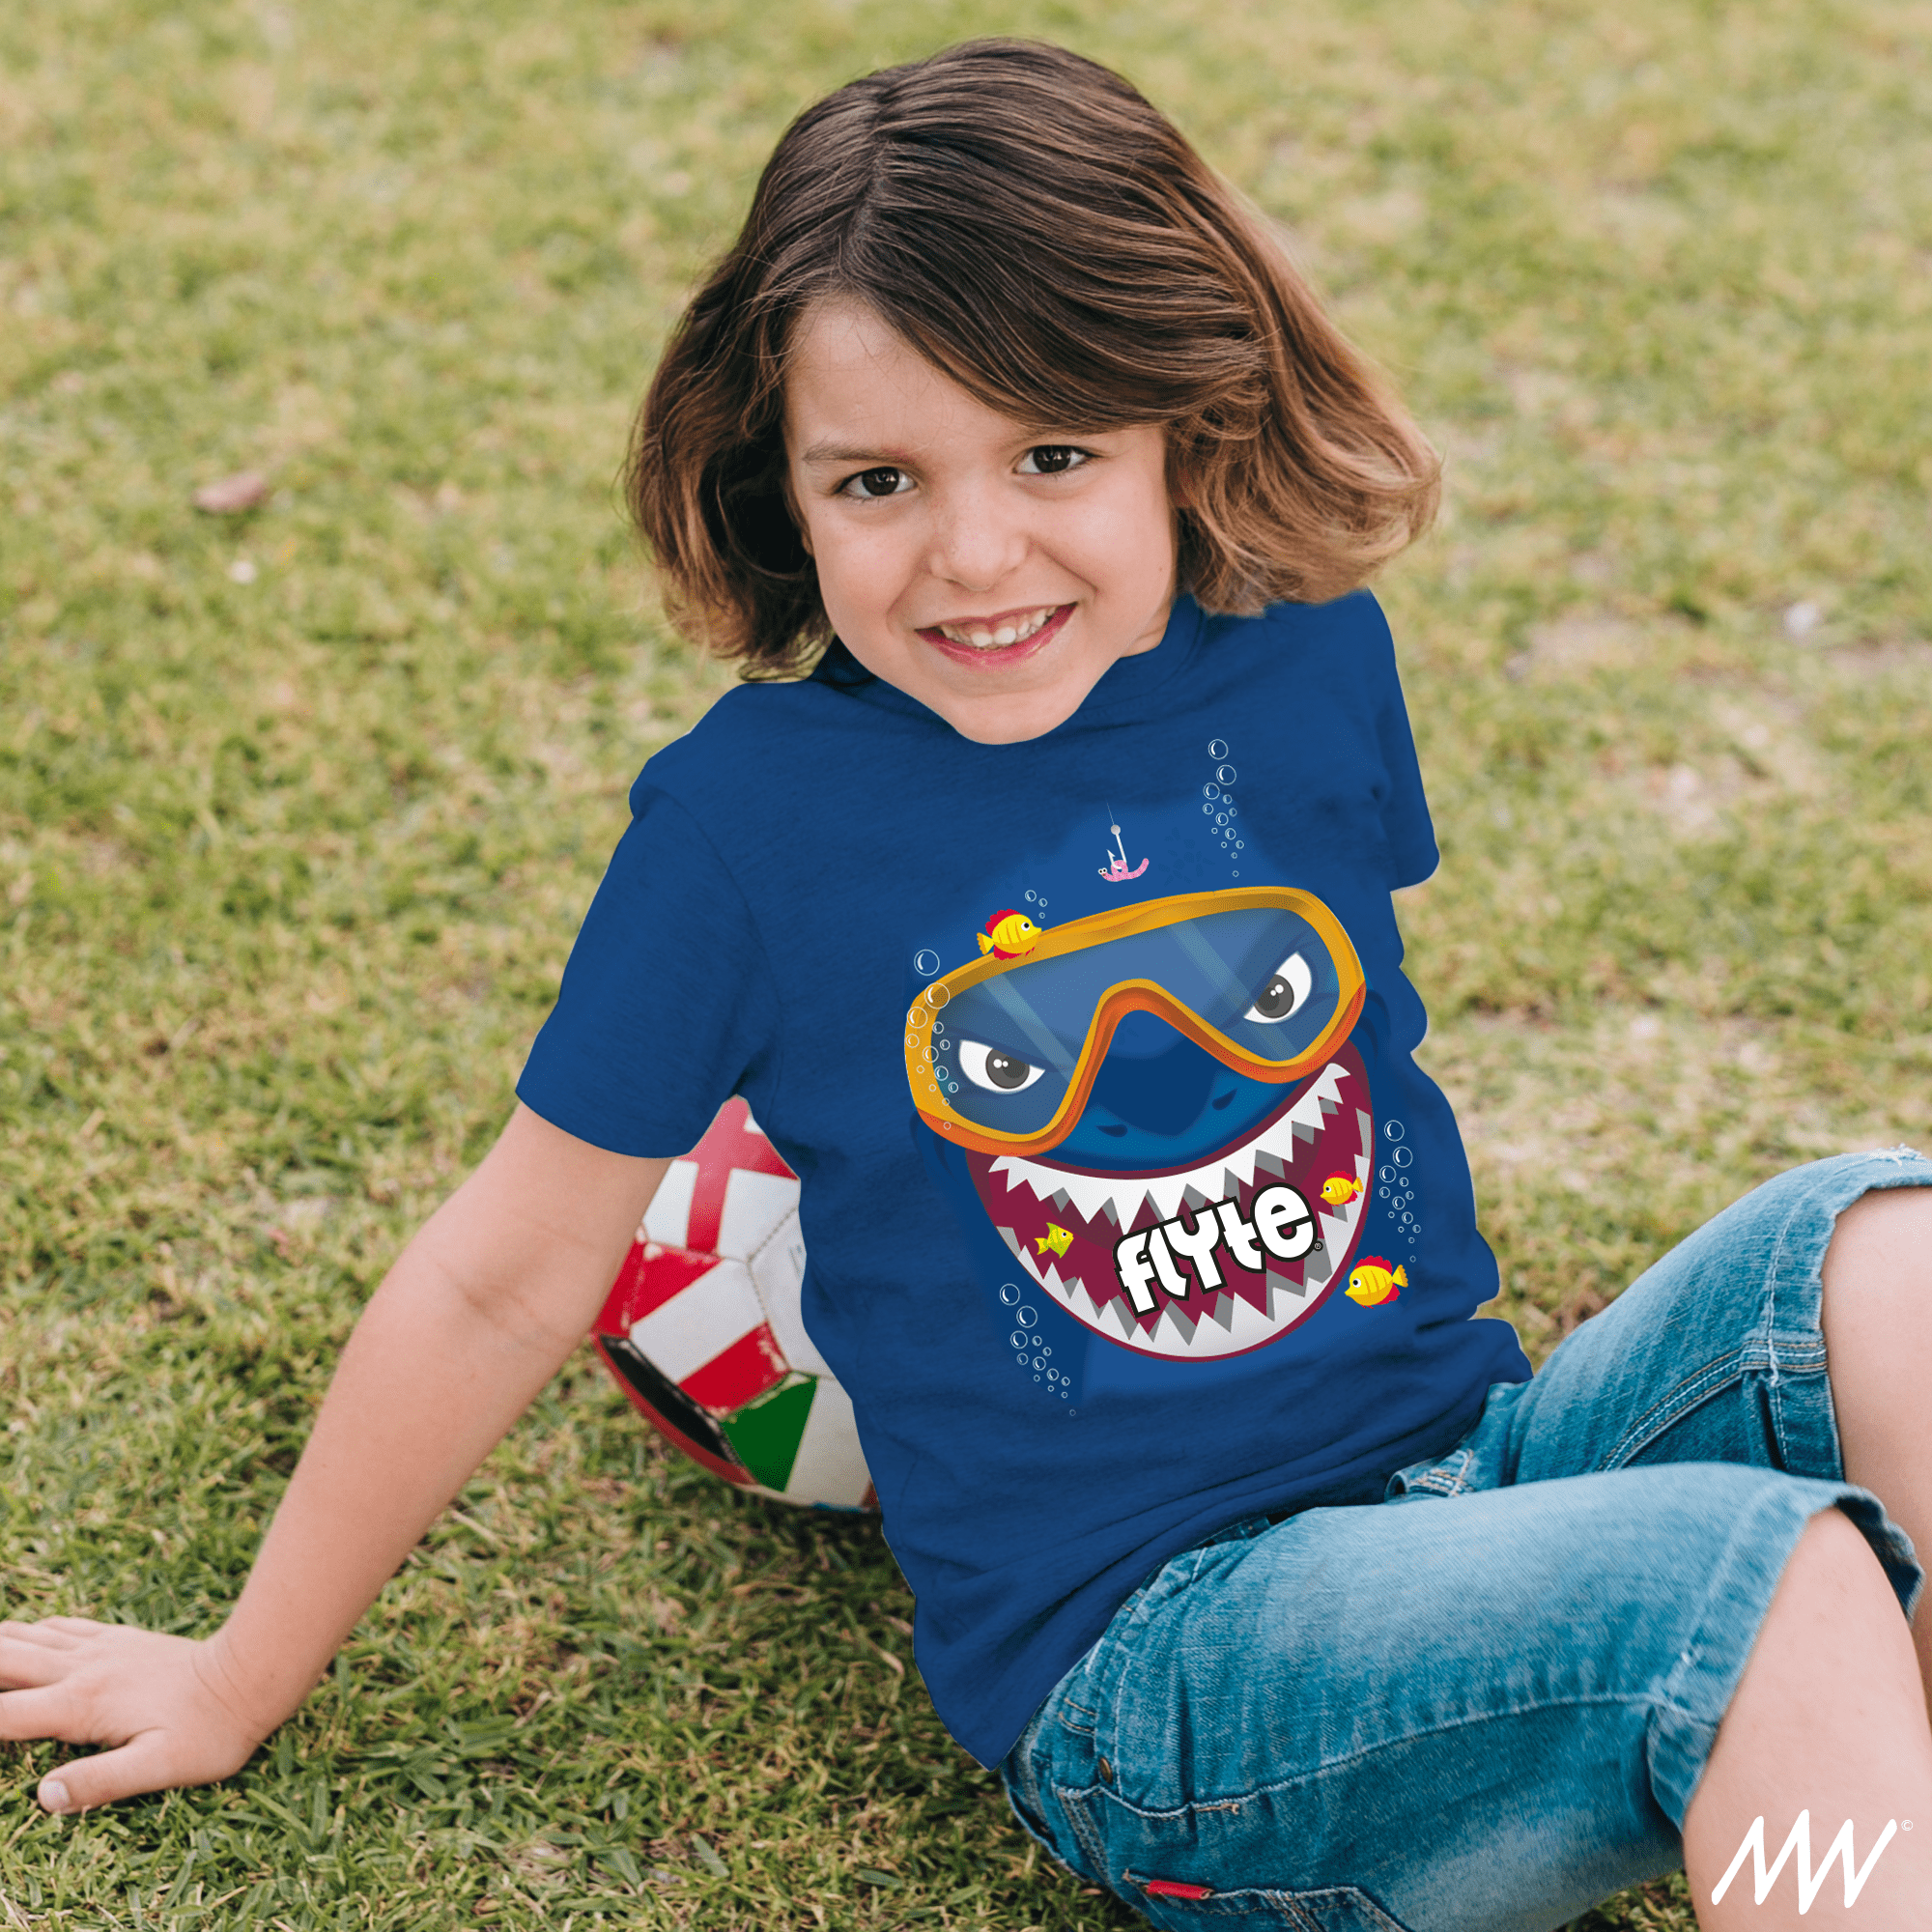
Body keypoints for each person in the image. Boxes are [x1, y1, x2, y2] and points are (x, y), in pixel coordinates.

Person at [4, 38, 1931, 1932]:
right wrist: (233, 1671)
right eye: (878, 483)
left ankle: (1865, 1818)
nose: (975, 549)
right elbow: (504, 1271)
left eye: (1056, 451)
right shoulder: (748, 829)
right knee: (1758, 1582)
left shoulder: (1314, 658)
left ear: (1194, 414)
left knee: (1888, 1245)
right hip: (1166, 1669)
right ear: (779, 481)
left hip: (1471, 1473)